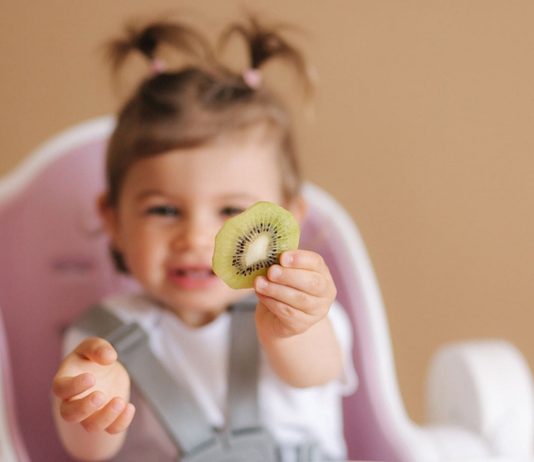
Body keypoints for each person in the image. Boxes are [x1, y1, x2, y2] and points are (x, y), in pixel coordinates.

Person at [51, 15, 357, 462]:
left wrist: (296, 326)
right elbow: (89, 452)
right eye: (164, 210)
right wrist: (93, 406)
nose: (195, 237)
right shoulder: (102, 337)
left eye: (232, 211)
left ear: (289, 219)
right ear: (114, 220)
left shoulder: (307, 315)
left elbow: (314, 371)